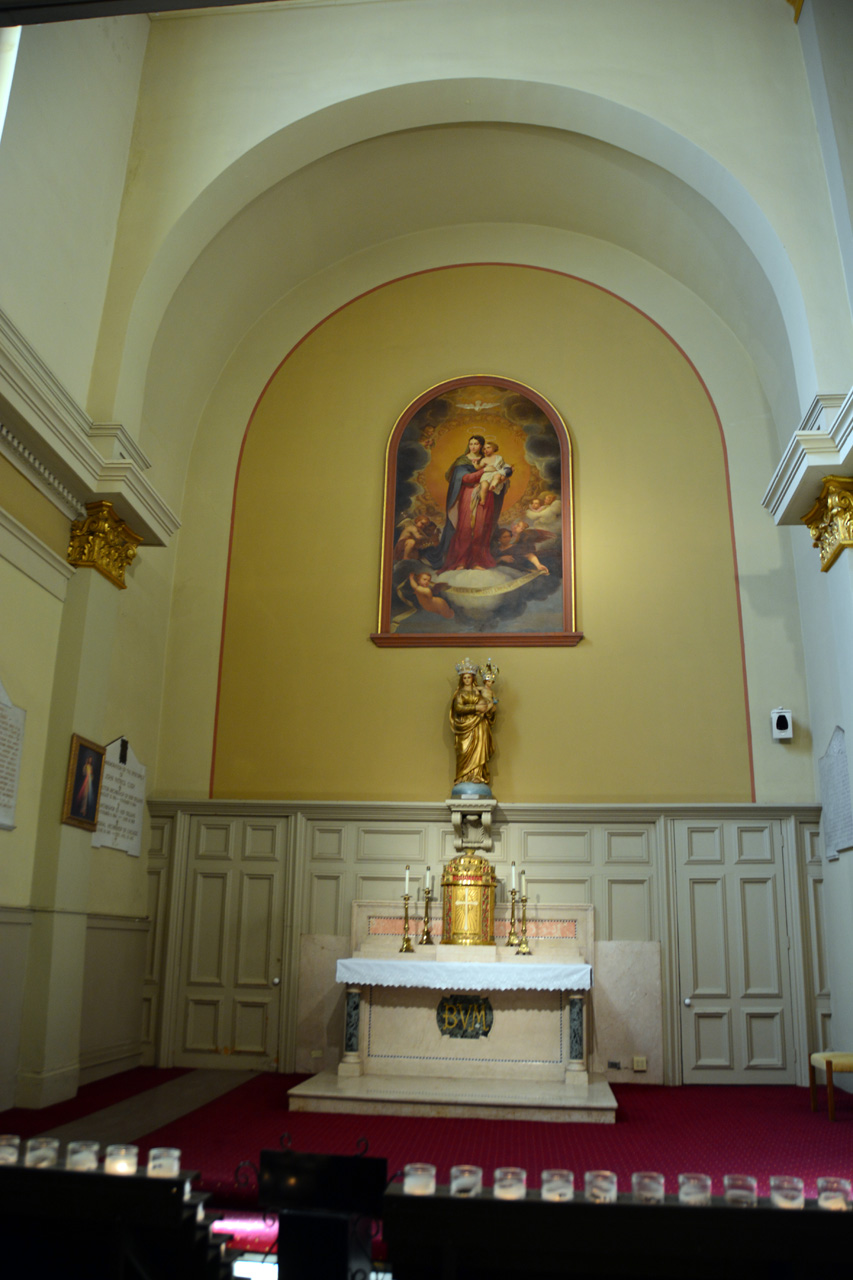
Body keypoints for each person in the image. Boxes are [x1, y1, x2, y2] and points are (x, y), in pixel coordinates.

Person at [440, 435, 511, 571]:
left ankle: (478, 561)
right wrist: (483, 471)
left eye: (476, 444)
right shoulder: (463, 460)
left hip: (486, 496)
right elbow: (465, 478)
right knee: (465, 528)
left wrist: (500, 477)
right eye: (471, 443)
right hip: (468, 495)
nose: (473, 446)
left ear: (482, 446)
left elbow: (505, 473)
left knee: (481, 528)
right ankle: (461, 561)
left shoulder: (493, 459)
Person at [450, 666, 496, 786]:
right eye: (464, 677)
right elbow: (458, 708)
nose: (466, 680)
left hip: (479, 725)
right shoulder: (459, 693)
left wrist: (490, 709)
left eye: (469, 677)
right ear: (462, 679)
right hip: (464, 726)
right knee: (463, 750)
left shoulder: (478, 692)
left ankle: (477, 775)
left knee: (479, 749)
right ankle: (461, 776)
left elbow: (485, 706)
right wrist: (475, 707)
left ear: (472, 678)